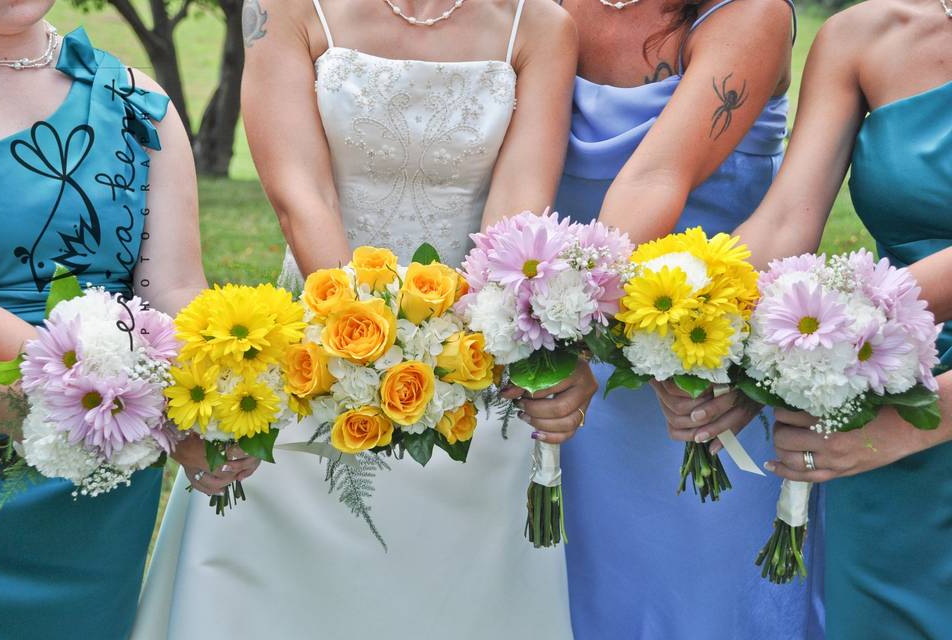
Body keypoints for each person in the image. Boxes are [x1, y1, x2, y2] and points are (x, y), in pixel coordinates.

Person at [136, 1, 594, 638]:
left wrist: (445, 352)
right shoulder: (284, 9)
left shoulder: (542, 26)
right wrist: (367, 346)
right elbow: (301, 194)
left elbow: (515, 213)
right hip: (312, 356)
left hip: (473, 358)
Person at [659, 0, 952, 636]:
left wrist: (919, 416)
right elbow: (789, 217)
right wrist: (720, 340)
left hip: (895, 402)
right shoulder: (864, 34)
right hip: (869, 399)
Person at [553, 0, 823, 638]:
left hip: (704, 367)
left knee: (707, 607)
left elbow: (655, 176)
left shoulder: (748, 14)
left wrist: (563, 322)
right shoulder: (531, 12)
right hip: (562, 383)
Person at [0, 5, 256, 638]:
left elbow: (173, 286)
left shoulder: (135, 101)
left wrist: (211, 404)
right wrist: (103, 385)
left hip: (103, 474)